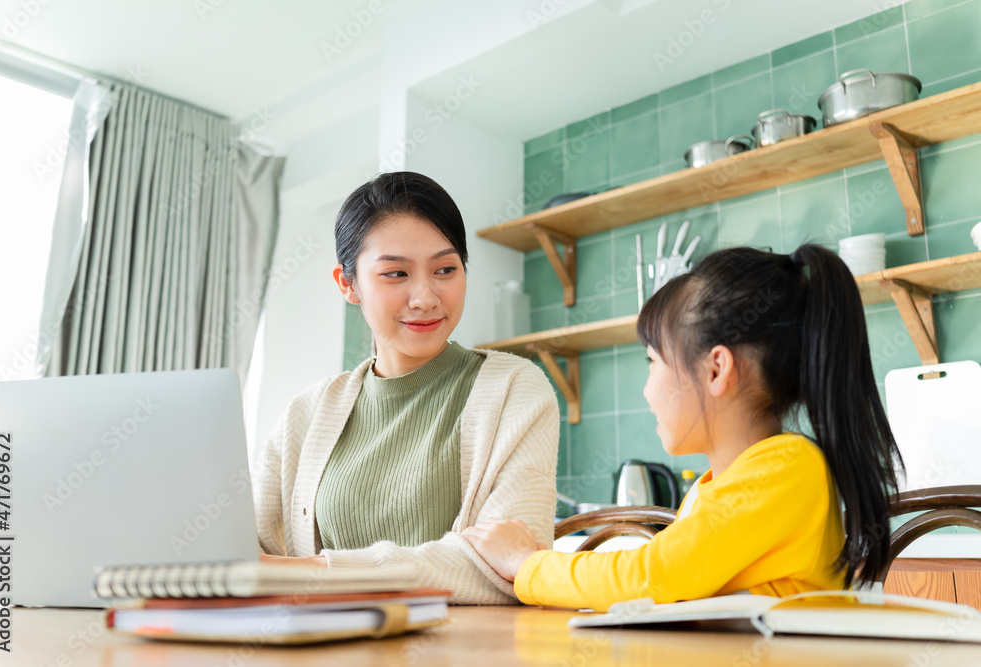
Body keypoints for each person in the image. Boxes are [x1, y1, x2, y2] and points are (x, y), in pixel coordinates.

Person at [464, 244, 903, 612]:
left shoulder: (789, 470)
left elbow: (655, 576)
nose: (647, 391)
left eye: (652, 362)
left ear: (716, 369)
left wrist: (527, 564)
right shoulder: (722, 485)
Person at [252, 171, 559, 605]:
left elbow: (504, 570)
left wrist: (314, 573)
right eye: (396, 273)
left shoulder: (514, 388)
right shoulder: (307, 413)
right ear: (348, 284)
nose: (426, 297)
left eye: (446, 269)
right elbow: (244, 548)